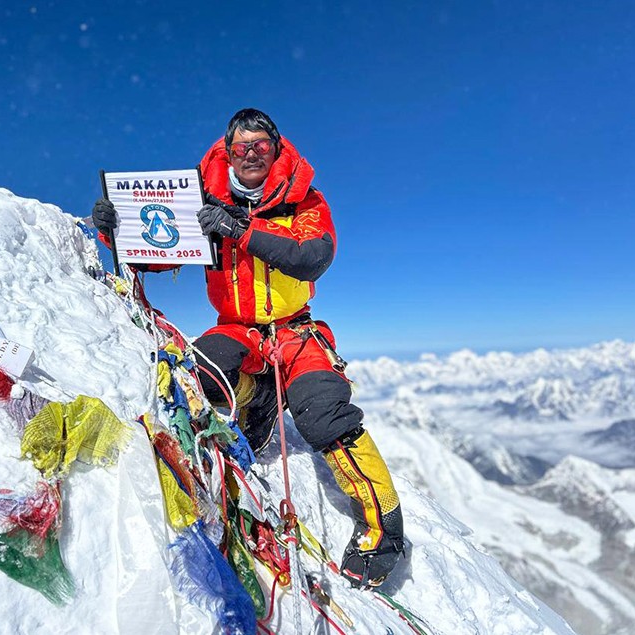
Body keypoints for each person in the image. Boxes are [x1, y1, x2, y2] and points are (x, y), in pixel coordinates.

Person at [92, 108, 404, 588]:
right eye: (241, 149)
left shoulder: (305, 202)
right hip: (237, 327)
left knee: (323, 415)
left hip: (296, 332)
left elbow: (310, 258)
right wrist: (115, 229)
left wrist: (241, 230)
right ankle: (257, 400)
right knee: (195, 376)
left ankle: (383, 531)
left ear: (277, 150)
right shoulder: (202, 203)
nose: (252, 155)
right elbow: (157, 249)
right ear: (229, 154)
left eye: (261, 146)